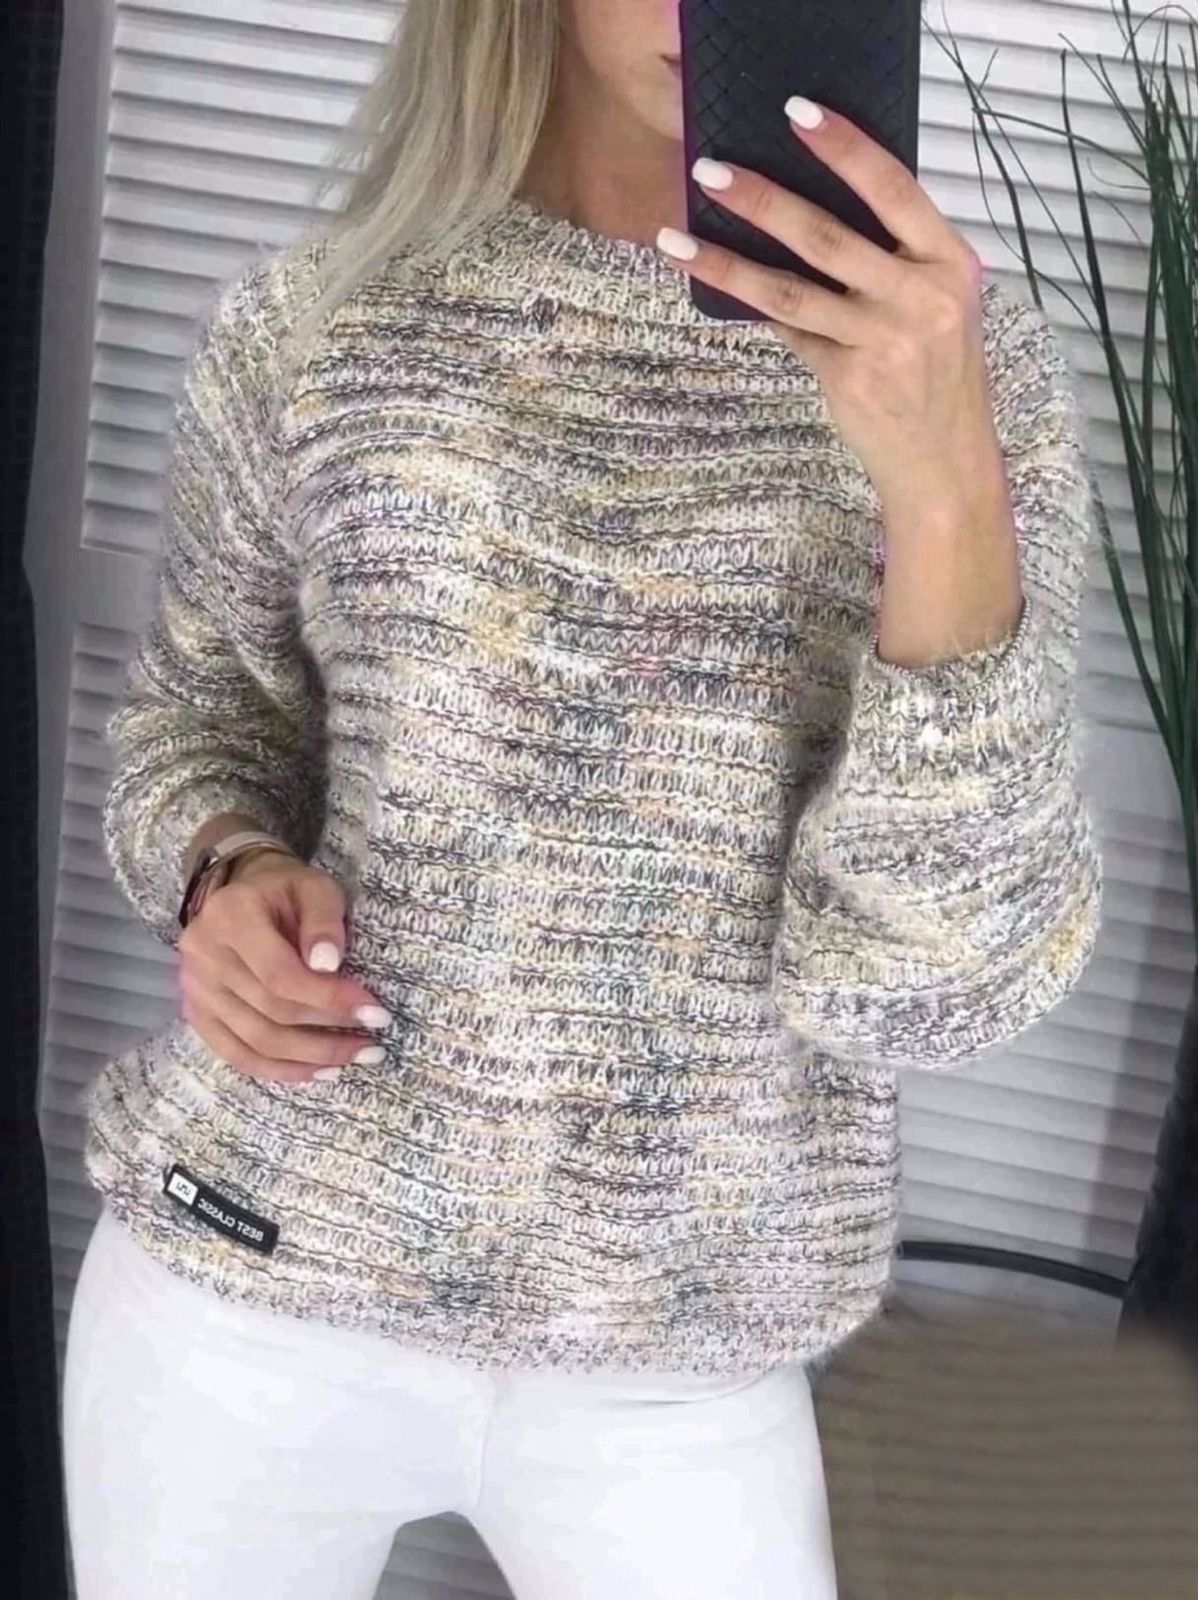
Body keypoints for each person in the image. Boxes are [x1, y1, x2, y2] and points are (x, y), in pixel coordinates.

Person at [62, 2, 1103, 1597]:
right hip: (249, 1277)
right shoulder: (318, 320)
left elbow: (930, 988)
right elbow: (205, 719)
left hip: (684, 1348)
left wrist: (937, 477)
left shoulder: (964, 375)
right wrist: (223, 875)